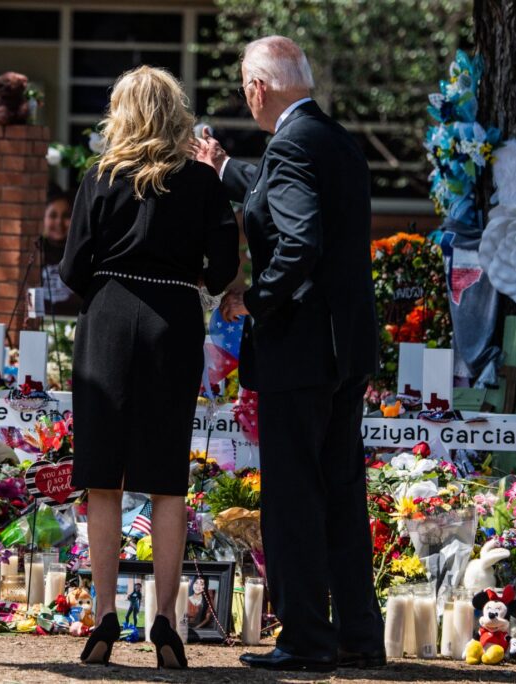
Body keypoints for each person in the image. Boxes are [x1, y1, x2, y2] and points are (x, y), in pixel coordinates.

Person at [195, 36, 383, 672]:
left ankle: (306, 637)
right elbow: (280, 195)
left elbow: (297, 239)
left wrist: (256, 300)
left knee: (294, 498)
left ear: (257, 89)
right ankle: (359, 633)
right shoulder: (336, 139)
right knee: (339, 493)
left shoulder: (292, 144)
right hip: (342, 349)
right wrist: (225, 169)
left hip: (300, 349)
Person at [61, 65, 239, 669]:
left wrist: (110, 283)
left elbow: (71, 269)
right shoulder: (202, 183)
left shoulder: (101, 177)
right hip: (172, 320)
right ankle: (166, 621)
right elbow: (220, 272)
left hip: (109, 315)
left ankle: (105, 615)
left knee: (103, 475)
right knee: (166, 478)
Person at [39, 188, 80, 316]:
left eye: (66, 216)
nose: (59, 222)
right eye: (53, 216)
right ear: (43, 219)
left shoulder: (81, 253)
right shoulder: (34, 253)